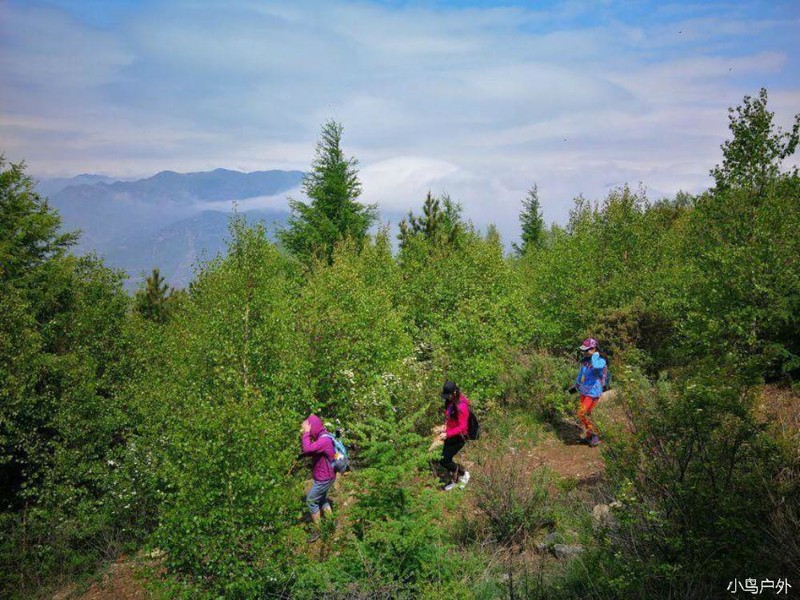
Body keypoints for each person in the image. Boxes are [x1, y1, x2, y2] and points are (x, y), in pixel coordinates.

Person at [301, 414, 336, 542]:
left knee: (311, 501)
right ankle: (331, 523)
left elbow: (306, 449)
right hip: (326, 476)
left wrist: (306, 433)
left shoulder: (323, 441)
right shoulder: (323, 436)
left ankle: (319, 530)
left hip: (324, 478)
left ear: (313, 427)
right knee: (321, 499)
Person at [573, 337, 609, 447]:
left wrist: (595, 355)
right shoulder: (585, 361)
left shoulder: (600, 360)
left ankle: (594, 435)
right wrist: (576, 384)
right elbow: (581, 373)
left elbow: (597, 366)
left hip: (593, 391)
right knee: (586, 414)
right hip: (584, 390)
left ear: (594, 349)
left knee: (581, 413)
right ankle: (590, 435)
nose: (585, 352)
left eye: (587, 350)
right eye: (584, 350)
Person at [438, 381, 471, 491]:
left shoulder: (462, 406)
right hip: (450, 435)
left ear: (455, 392)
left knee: (444, 461)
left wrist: (447, 434)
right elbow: (450, 417)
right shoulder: (450, 401)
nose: (447, 398)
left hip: (459, 437)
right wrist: (445, 426)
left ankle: (464, 475)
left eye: (449, 395)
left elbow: (463, 427)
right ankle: (455, 478)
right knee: (445, 459)